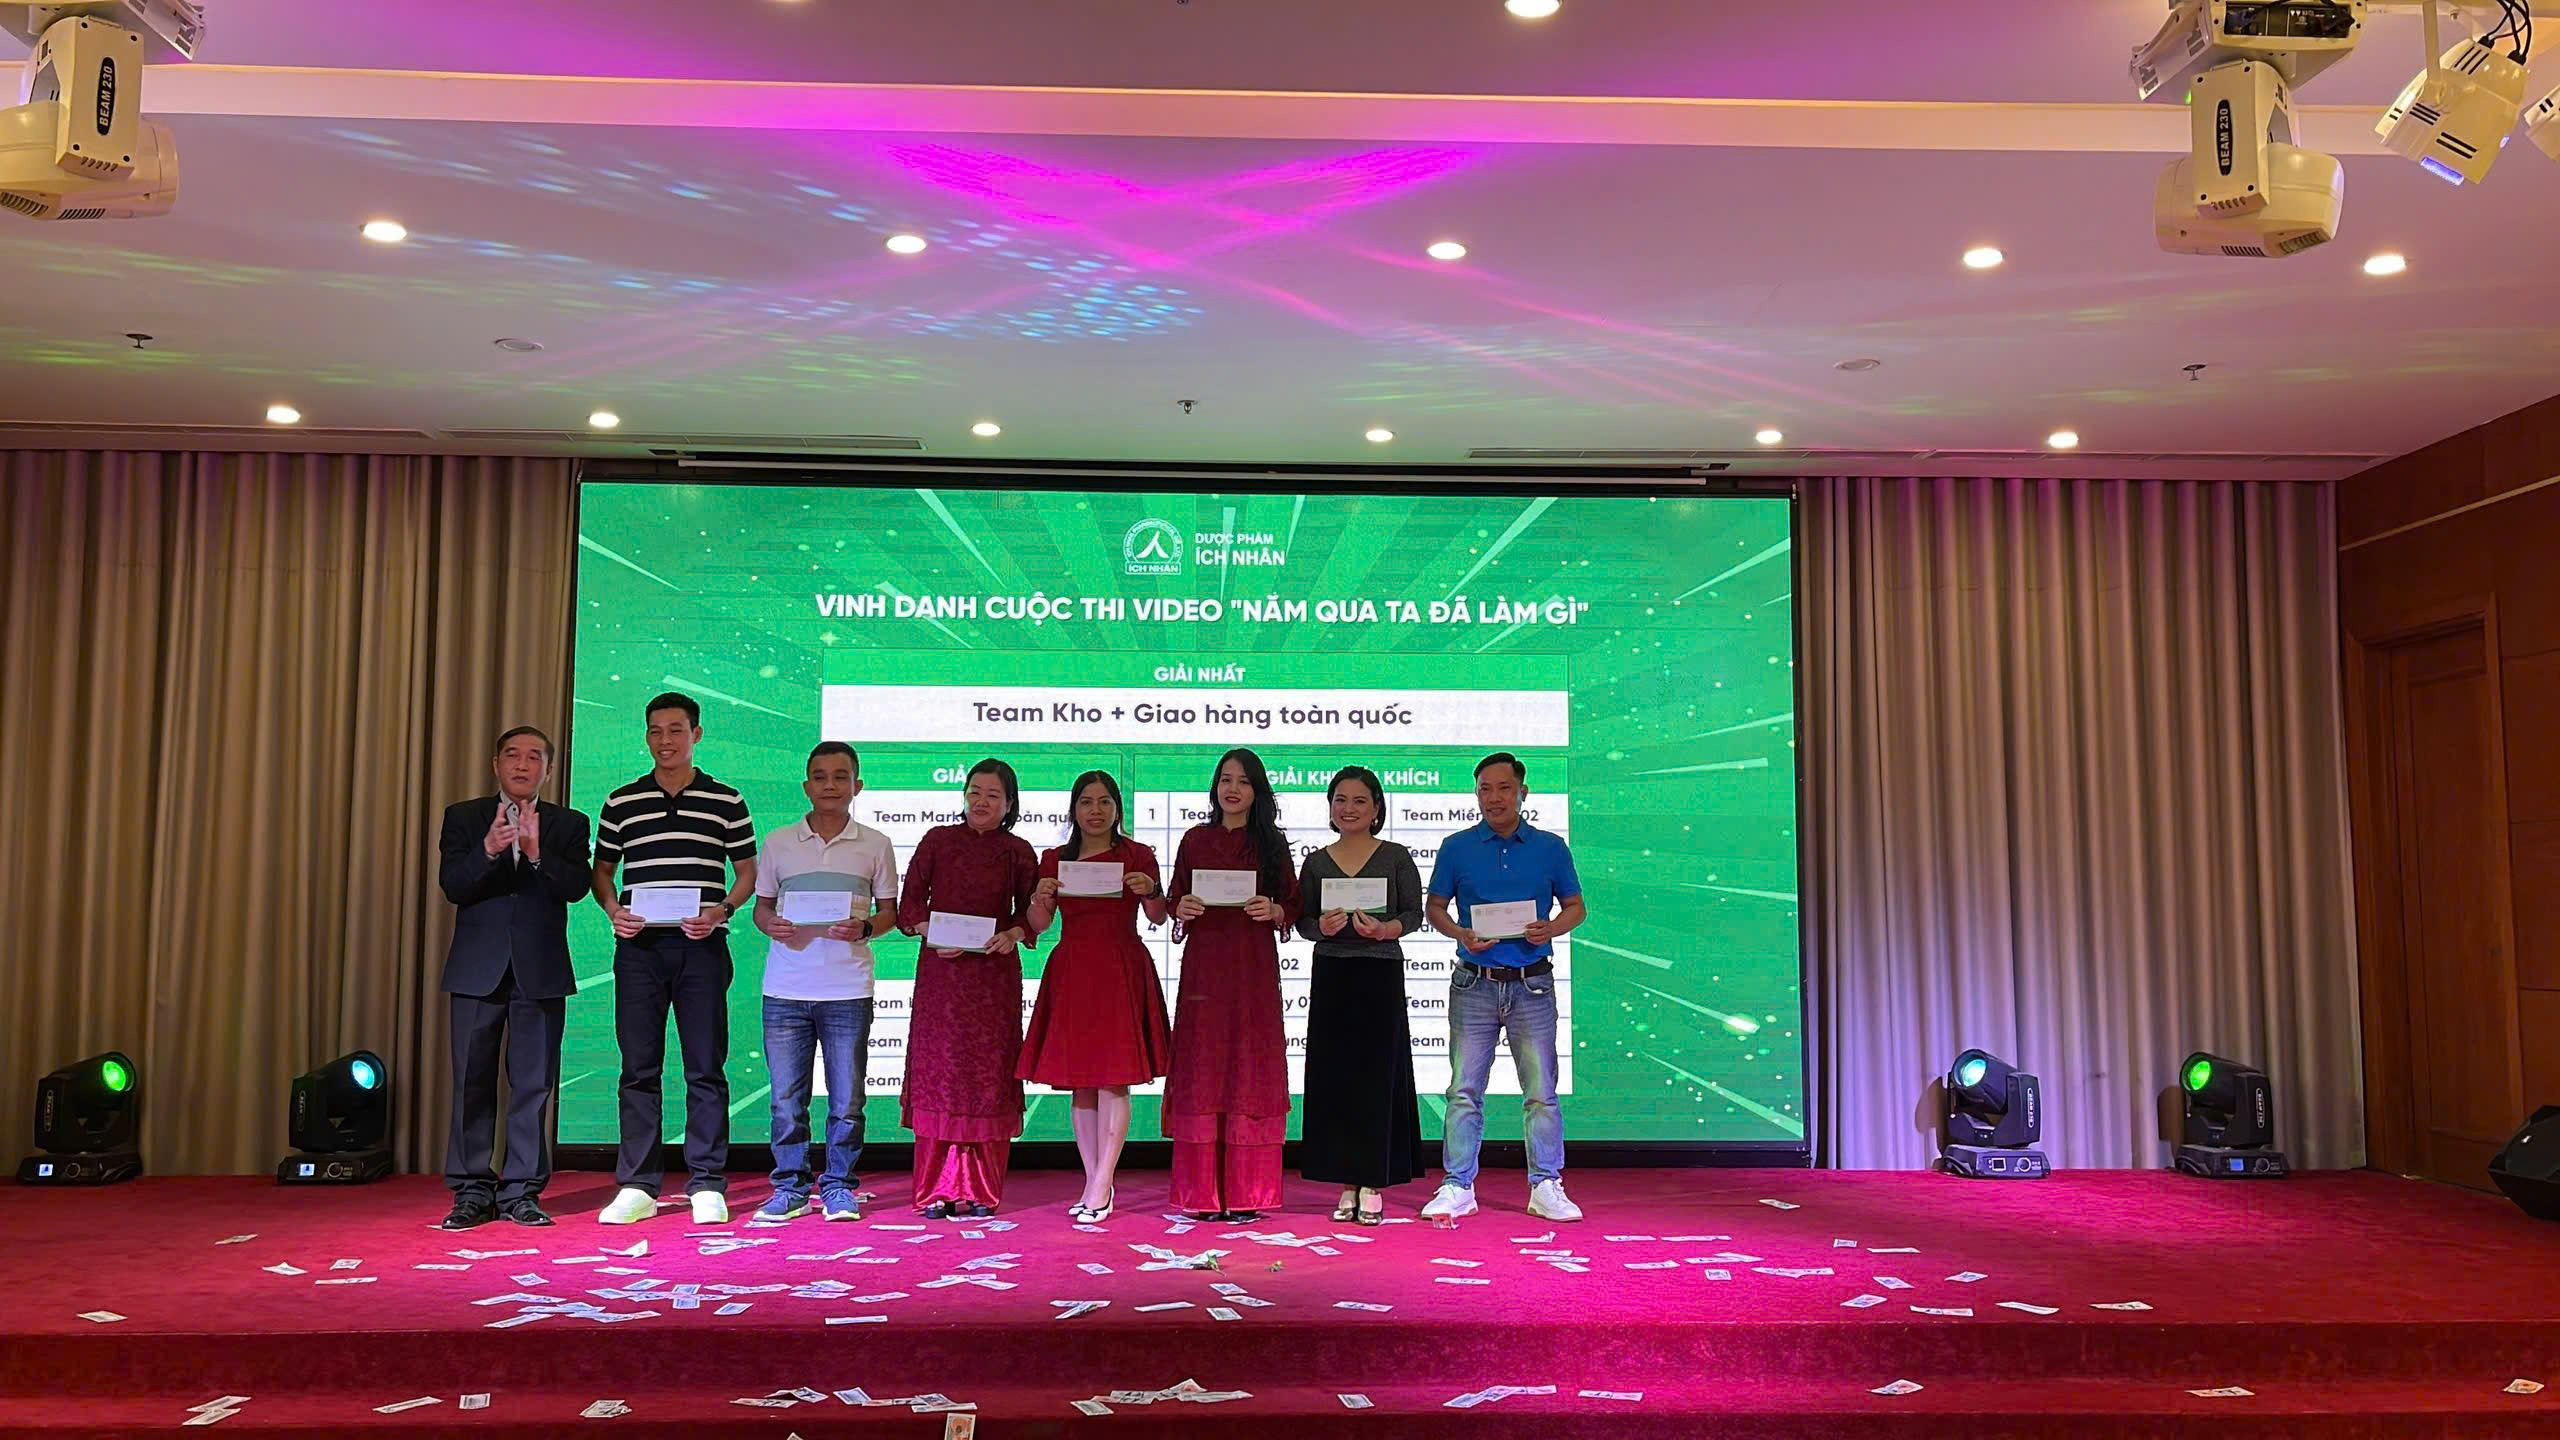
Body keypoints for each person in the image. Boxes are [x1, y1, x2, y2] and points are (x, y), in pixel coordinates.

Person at [589, 692, 757, 1226]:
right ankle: (638, 1185)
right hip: (639, 949)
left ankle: (706, 1181)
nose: (665, 740)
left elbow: (747, 872)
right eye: (656, 730)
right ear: (646, 736)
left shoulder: (726, 800)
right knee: (638, 1069)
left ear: (696, 735)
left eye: (676, 730)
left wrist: (722, 909)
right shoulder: (621, 801)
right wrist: (613, 910)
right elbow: (602, 872)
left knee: (705, 1066)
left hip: (702, 947)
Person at [434, 725, 591, 1230]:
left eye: (533, 757)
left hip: (540, 972)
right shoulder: (464, 817)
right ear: (496, 764)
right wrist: (487, 850)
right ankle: (470, 1191)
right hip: (476, 971)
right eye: (512, 756)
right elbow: (453, 885)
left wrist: (538, 853)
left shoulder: (569, 823)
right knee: (471, 1083)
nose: (522, 765)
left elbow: (576, 887)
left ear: (549, 769)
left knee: (533, 1086)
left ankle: (522, 1192)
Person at [1422, 751, 1588, 1223]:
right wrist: (1460, 933)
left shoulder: (1551, 847)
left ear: (1523, 792)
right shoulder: (1456, 847)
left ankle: (1546, 1184)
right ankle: (1458, 1185)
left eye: (1503, 788)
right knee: (1463, 1091)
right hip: (1473, 982)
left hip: (1531, 984)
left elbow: (1576, 907)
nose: (1493, 798)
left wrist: (1551, 928)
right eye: (1484, 790)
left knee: (1540, 1092)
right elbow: (1435, 907)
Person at [748, 742, 900, 1224]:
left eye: (840, 776)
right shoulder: (778, 842)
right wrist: (769, 924)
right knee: (785, 1102)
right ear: (806, 785)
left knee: (847, 1101)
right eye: (820, 776)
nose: (830, 785)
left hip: (847, 990)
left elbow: (890, 913)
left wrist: (865, 927)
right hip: (785, 990)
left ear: (858, 785)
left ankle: (838, 1186)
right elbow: (762, 908)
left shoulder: (876, 843)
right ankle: (790, 1187)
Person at [1019, 770, 1173, 1223]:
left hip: (1121, 968)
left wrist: (1153, 890)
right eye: (1086, 802)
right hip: (1074, 970)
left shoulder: (1138, 855)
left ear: (1117, 808)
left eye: (1105, 801)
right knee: (1082, 1081)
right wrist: (1039, 896)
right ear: (1074, 809)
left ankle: (1103, 1184)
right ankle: (1094, 1183)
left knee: (1114, 1078)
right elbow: (1040, 924)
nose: (1096, 810)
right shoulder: (1055, 859)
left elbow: (1159, 917)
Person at [894, 758, 1038, 1218]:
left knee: (987, 1075)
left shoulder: (1018, 851)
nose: (981, 801)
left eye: (993, 795)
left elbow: (1029, 916)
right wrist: (930, 932)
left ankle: (980, 1191)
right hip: (942, 977)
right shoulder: (937, 840)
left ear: (1009, 804)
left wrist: (1013, 934)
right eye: (975, 791)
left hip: (993, 980)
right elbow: (909, 905)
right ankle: (936, 1189)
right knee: (941, 1071)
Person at [1165, 747, 1299, 1221]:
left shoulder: (1272, 843)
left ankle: (1246, 1194)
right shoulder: (1195, 839)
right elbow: (1174, 897)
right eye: (1226, 779)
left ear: (1257, 790)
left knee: (1249, 1069)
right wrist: (1181, 908)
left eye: (1243, 781)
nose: (1233, 789)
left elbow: (1293, 903)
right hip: (1204, 971)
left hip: (1251, 973)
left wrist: (1275, 910)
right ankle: (1201, 1195)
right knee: (1203, 1068)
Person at [1295, 765, 1428, 1226]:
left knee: (1376, 1078)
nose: (1348, 809)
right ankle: (1346, 1182)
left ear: (1376, 809)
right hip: (1332, 972)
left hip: (1379, 972)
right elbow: (1302, 921)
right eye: (1340, 800)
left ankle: (1373, 1180)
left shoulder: (1395, 856)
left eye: (1359, 801)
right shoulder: (1316, 862)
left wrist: (1387, 929)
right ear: (1330, 807)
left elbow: (1413, 913)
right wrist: (1319, 927)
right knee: (1336, 1080)